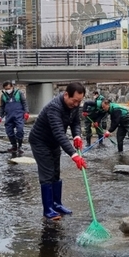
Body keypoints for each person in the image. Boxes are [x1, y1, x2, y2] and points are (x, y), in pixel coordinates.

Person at [28, 82, 87, 220]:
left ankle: (57, 204)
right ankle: (48, 209)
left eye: (79, 101)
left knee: (56, 172)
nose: (76, 104)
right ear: (66, 94)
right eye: (74, 101)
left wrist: (77, 135)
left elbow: (75, 122)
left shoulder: (74, 106)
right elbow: (59, 133)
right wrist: (74, 155)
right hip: (40, 141)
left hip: (53, 142)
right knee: (47, 173)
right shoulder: (54, 108)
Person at [0, 81, 29, 154]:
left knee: (20, 131)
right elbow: (2, 107)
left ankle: (20, 146)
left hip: (19, 116)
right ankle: (14, 146)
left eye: (9, 88)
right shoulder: (3, 96)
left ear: (12, 87)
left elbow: (24, 103)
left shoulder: (19, 93)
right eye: (6, 89)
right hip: (9, 117)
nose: (8, 90)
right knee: (9, 132)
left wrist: (26, 112)